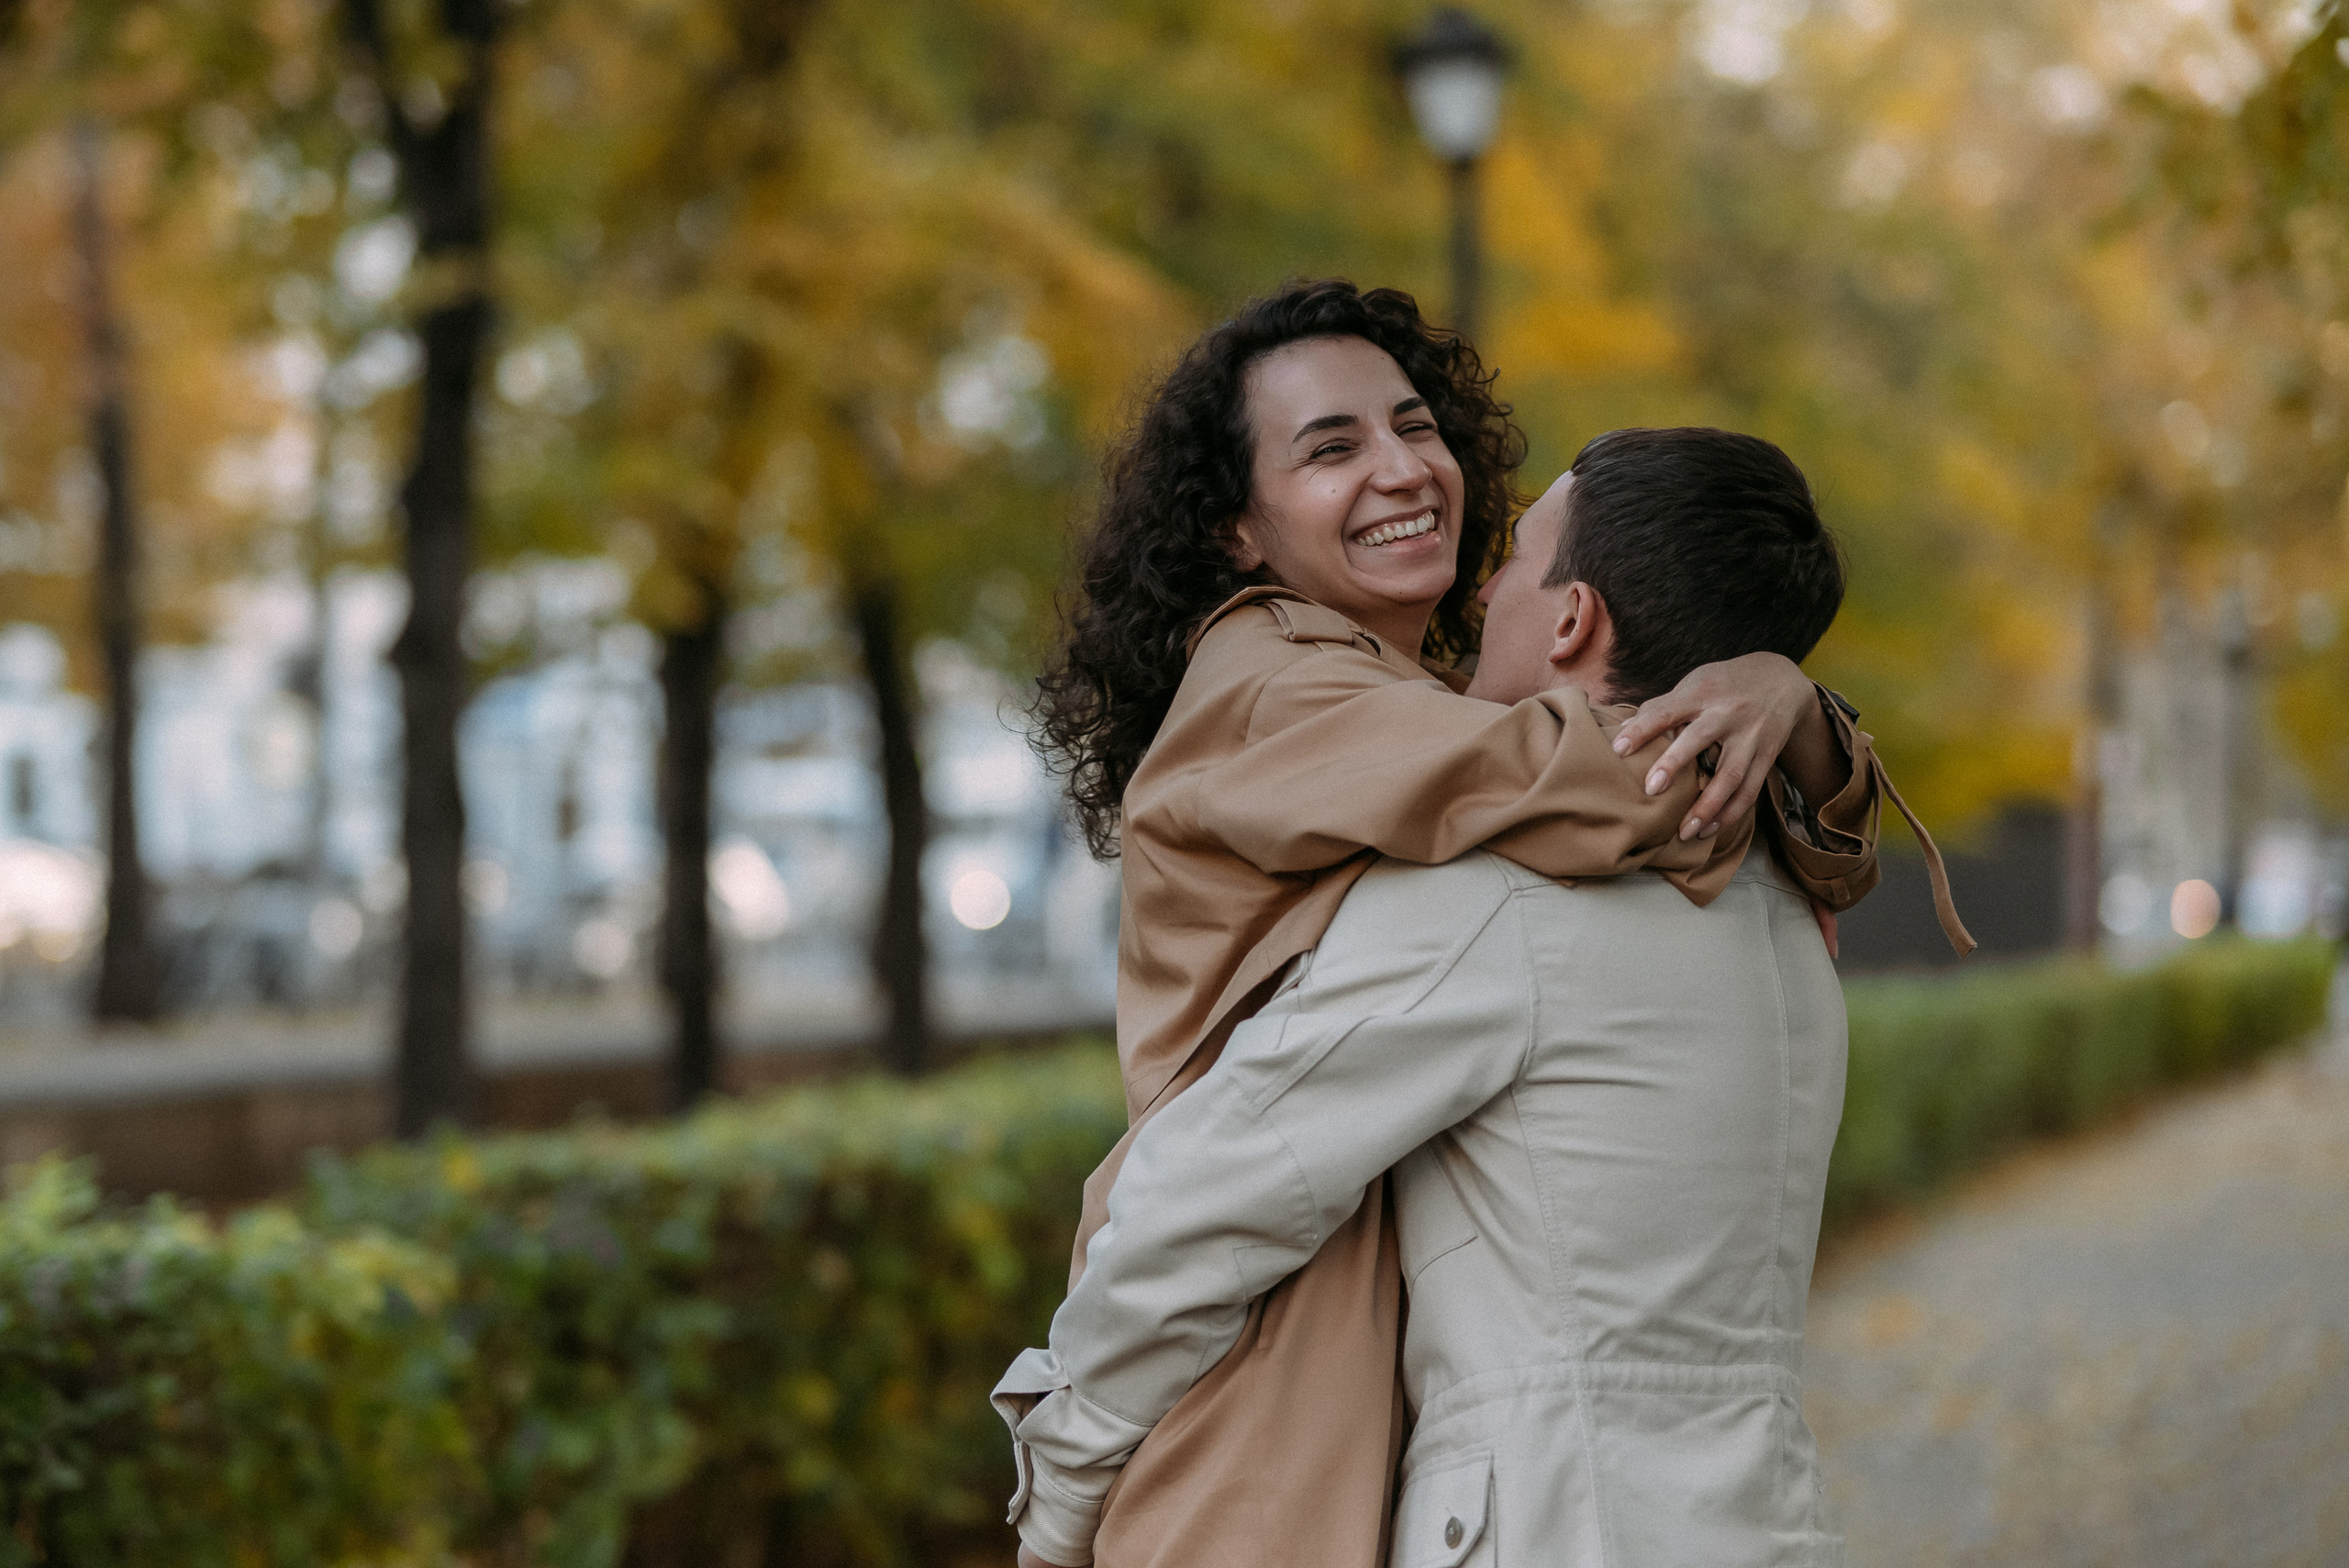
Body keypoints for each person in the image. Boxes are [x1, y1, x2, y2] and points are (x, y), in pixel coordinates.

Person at [1009, 281, 1943, 1568]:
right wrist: (1767, 706)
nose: (1403, 468)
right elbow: (1577, 772)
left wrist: (1776, 702)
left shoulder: (1424, 717)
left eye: (1413, 424)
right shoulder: (1273, 685)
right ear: (1236, 527)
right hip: (1255, 1389)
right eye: (1331, 447)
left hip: (1382, 1397)